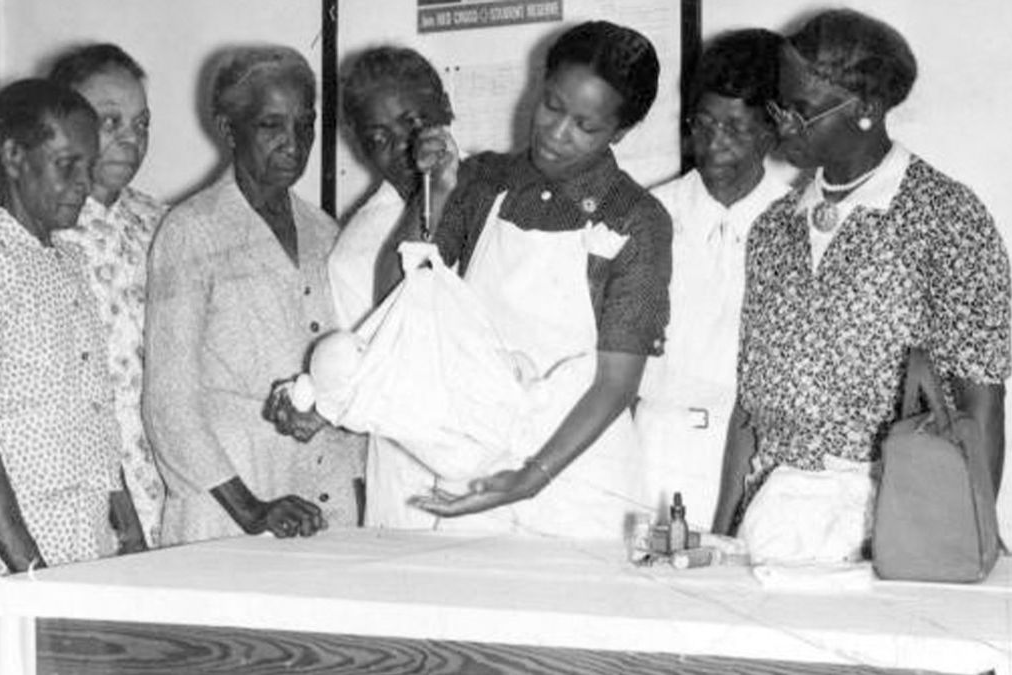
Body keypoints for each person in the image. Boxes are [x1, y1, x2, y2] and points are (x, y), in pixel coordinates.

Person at [711, 10, 1011, 559]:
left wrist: (971, 541)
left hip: (892, 523)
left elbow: (982, 400)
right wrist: (723, 535)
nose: (782, 125)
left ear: (867, 110)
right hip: (772, 523)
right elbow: (749, 409)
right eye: (780, 106)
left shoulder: (946, 216)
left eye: (801, 112)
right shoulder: (774, 228)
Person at [393, 21, 672, 538]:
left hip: (583, 473)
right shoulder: (482, 180)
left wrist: (531, 477)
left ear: (620, 132)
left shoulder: (636, 218)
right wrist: (437, 191)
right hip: (480, 452)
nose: (556, 132)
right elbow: (403, 294)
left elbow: (615, 385)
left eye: (585, 126)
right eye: (551, 105)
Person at [144, 46, 364, 545]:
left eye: (305, 125)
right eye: (271, 125)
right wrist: (252, 510)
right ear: (228, 129)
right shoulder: (191, 231)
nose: (294, 143)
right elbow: (168, 403)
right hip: (230, 505)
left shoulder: (324, 231)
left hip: (319, 491)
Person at [0, 79, 146, 575]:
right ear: (13, 156)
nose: (83, 185)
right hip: (18, 551)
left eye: (88, 168)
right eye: (66, 165)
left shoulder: (68, 260)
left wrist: (128, 527)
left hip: (91, 539)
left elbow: (94, 413)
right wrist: (31, 569)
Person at [634, 29, 790, 528]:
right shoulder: (651, 215)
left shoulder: (798, 223)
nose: (714, 145)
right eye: (702, 125)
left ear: (771, 131)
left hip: (754, 454)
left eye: (736, 129)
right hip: (651, 444)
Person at [328, 45, 454, 528]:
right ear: (360, 147)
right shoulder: (357, 249)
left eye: (414, 122)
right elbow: (379, 377)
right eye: (379, 137)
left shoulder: (501, 191)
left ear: (445, 108)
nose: (403, 146)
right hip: (410, 474)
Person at [49, 43, 169, 546]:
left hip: (167, 479)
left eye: (141, 124)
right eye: (110, 121)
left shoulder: (160, 223)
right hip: (77, 492)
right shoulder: (41, 229)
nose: (131, 140)